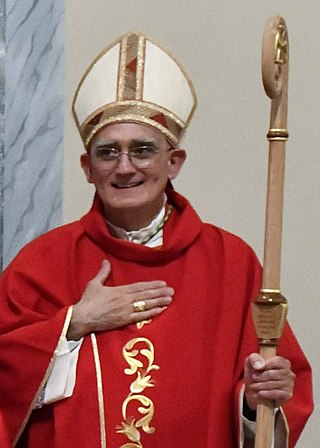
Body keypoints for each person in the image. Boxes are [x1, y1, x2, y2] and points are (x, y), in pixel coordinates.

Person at [0, 31, 313, 448]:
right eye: (108, 152)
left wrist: (258, 401)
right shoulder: (42, 262)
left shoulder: (230, 263)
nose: (125, 167)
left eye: (142, 150)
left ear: (174, 162)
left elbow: (265, 400)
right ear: (87, 167)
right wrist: (71, 325)